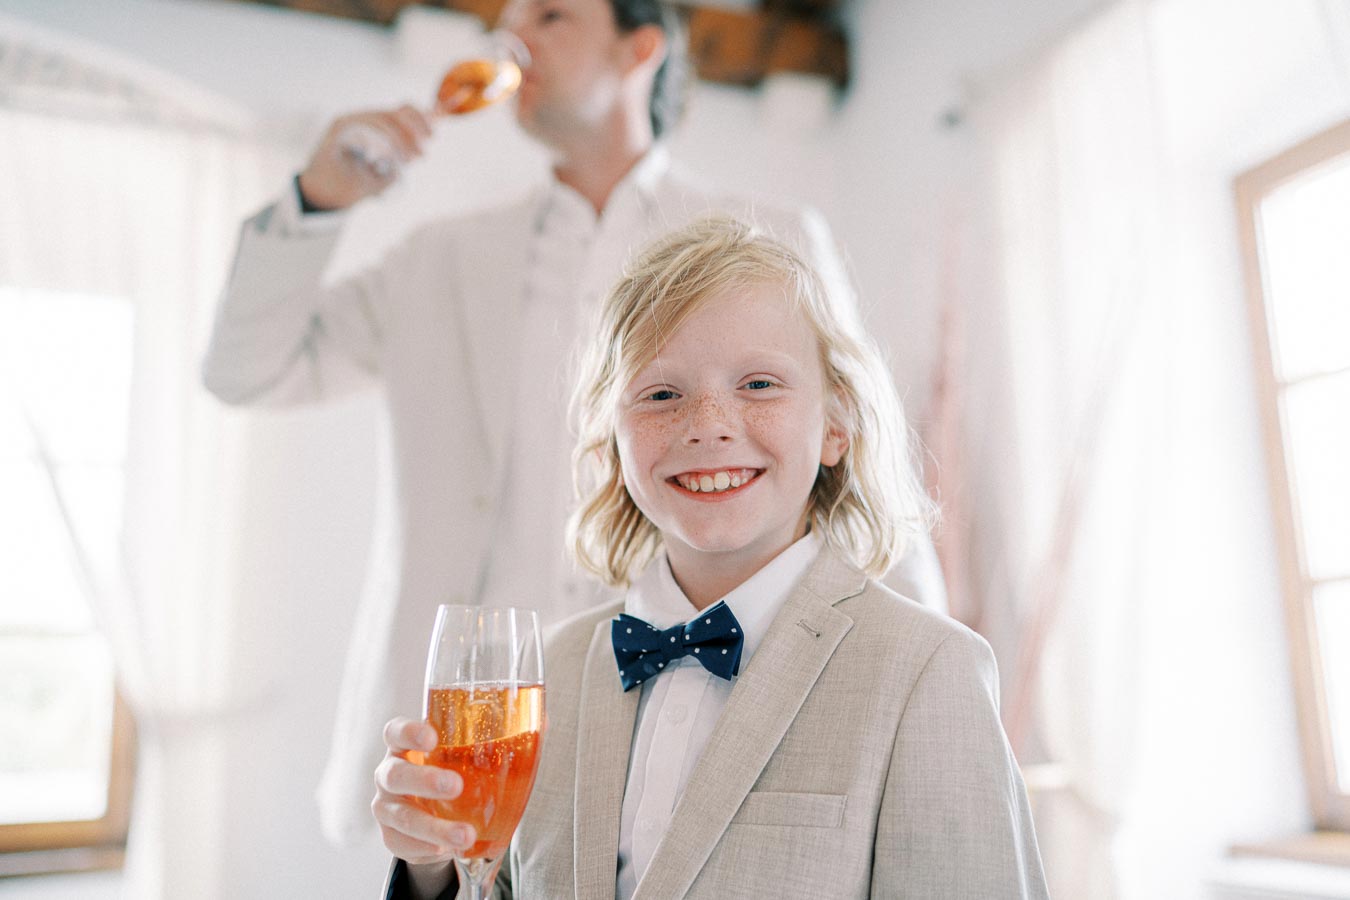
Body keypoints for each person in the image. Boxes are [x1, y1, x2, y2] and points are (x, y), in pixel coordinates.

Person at [201, 0, 947, 844]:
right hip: (459, 728)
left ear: (640, 47)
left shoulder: (772, 238)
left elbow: (863, 458)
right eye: (506, 23)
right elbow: (243, 372)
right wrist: (317, 200)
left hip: (684, 720)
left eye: (549, 16)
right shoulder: (437, 258)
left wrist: (930, 687)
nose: (511, 41)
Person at [372, 217, 1046, 899]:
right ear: (611, 441)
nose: (708, 425)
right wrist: (433, 869)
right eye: (662, 394)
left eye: (759, 384)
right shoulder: (550, 675)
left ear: (836, 425)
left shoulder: (928, 672)